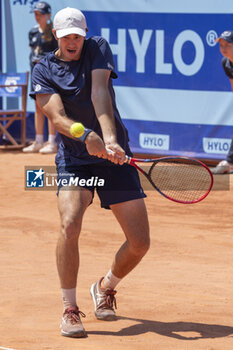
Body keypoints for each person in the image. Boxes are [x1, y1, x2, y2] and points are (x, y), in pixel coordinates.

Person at [30, 7, 150, 338]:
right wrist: (85, 135)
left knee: (140, 243)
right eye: (67, 36)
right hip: (75, 160)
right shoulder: (43, 68)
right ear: (56, 35)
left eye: (78, 36)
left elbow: (100, 94)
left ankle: (104, 286)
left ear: (85, 35)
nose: (73, 42)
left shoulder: (97, 47)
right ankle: (69, 308)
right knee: (69, 223)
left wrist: (109, 140)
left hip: (113, 155)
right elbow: (55, 116)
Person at [23, 1, 58, 154]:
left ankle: (51, 142)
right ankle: (38, 141)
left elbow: (57, 54)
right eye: (36, 14)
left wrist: (43, 60)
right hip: (36, 73)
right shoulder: (32, 32)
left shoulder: (54, 33)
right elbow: (33, 51)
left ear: (48, 15)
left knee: (50, 107)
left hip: (50, 74)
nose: (38, 17)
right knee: (38, 106)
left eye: (41, 14)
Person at [211, 30, 233, 174]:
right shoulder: (226, 63)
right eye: (221, 45)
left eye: (228, 45)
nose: (223, 48)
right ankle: (229, 162)